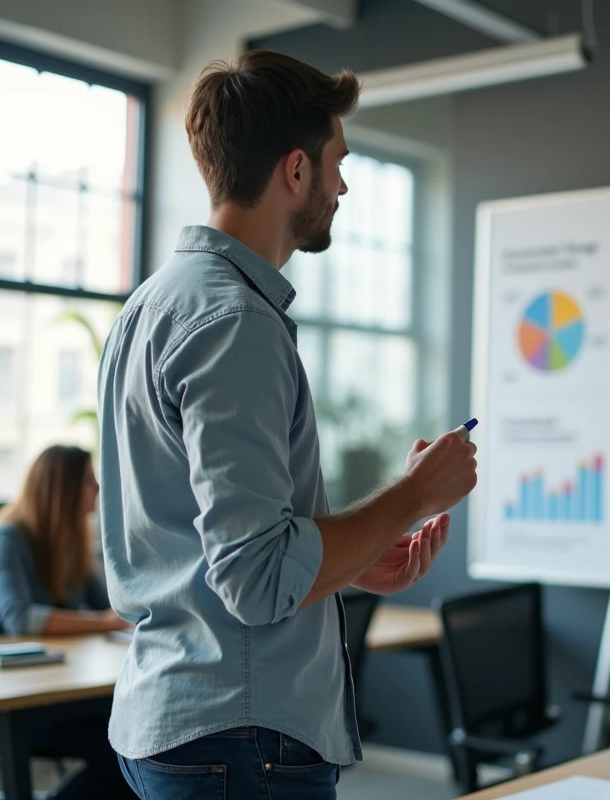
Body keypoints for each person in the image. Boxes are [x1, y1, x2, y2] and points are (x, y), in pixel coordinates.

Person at [97, 50, 478, 800]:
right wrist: (412, 496)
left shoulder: (152, 304)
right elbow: (258, 577)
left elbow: (220, 547)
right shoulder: (235, 320)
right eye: (337, 161)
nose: (342, 184)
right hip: (239, 740)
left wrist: (357, 559)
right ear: (295, 169)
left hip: (183, 722)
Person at [0, 444, 133, 800]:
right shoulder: (4, 538)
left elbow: (112, 610)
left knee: (133, 732)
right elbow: (21, 619)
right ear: (61, 487)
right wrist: (104, 623)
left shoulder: (69, 542)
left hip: (48, 694)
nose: (98, 489)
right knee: (117, 748)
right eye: (89, 480)